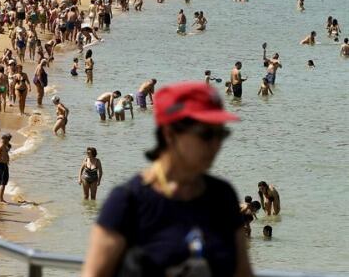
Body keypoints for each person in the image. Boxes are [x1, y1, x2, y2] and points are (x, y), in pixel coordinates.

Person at [82, 82, 251, 277]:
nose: (216, 144)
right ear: (170, 134)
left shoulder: (223, 196)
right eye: (206, 134)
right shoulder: (127, 203)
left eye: (221, 134)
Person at [0, 133, 12, 203]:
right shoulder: (2, 144)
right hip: (2, 164)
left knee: (0, 181)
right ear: (5, 138)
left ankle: (0, 198)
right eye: (9, 139)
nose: (9, 141)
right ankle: (1, 199)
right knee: (3, 182)